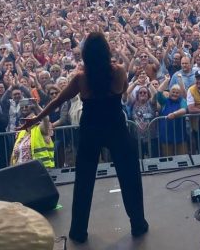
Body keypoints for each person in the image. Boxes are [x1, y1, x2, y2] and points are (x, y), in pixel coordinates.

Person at [30, 32, 148, 244]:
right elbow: (121, 93)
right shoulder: (119, 71)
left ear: (85, 55)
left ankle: (78, 231)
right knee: (130, 178)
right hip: (116, 128)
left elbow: (58, 101)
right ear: (106, 52)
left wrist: (36, 118)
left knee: (83, 183)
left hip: (90, 130)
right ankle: (138, 224)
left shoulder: (81, 78)